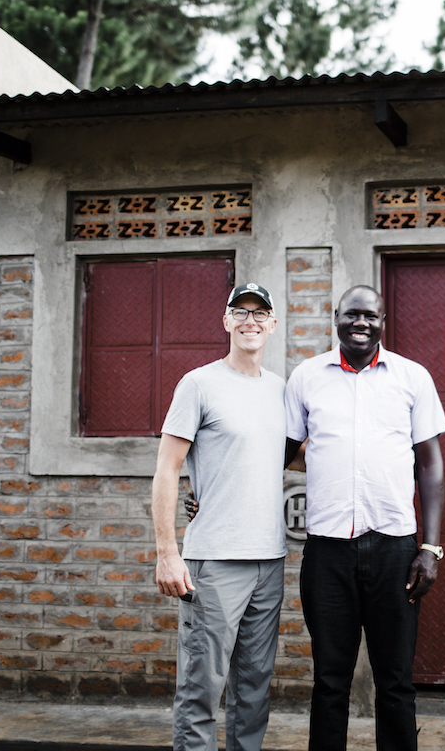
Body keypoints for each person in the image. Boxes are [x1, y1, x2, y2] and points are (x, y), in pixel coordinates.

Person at [283, 284, 445, 751]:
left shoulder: (411, 377)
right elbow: (279, 453)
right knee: (329, 681)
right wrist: (209, 490)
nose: (361, 323)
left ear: (382, 322)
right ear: (335, 318)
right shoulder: (307, 377)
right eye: (352, 315)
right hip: (327, 552)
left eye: (371, 316)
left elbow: (431, 464)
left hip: (395, 549)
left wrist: (430, 549)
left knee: (395, 682)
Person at [152, 282, 287, 751]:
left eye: (260, 313)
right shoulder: (199, 383)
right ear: (226, 321)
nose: (250, 320)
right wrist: (168, 553)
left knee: (254, 690)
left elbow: (298, 455)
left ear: (272, 323)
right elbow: (167, 469)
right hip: (214, 562)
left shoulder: (281, 391)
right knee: (201, 689)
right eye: (240, 311)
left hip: (270, 561)